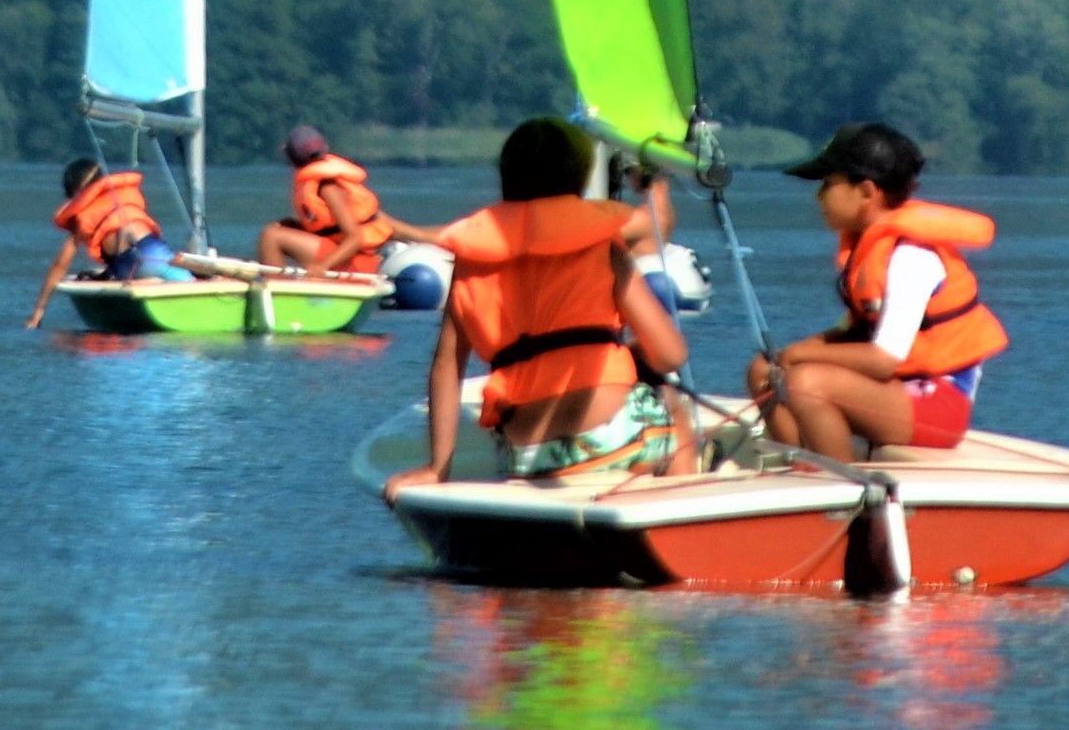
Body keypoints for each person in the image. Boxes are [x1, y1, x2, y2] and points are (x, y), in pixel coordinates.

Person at [391, 115, 690, 491]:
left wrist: (437, 467)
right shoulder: (603, 246)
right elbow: (671, 355)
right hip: (616, 436)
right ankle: (678, 507)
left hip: (529, 454)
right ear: (581, 177)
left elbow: (446, 367)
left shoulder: (472, 260)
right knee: (673, 403)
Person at [744, 121, 1006, 459]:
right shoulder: (871, 251)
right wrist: (788, 355)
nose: (818, 195)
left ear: (867, 192)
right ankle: (797, 466)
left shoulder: (911, 257)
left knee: (804, 382)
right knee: (763, 370)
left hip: (937, 403)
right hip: (893, 390)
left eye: (828, 183)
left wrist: (798, 355)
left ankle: (841, 492)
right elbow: (850, 331)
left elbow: (883, 359)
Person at [26, 155, 179, 325]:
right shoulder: (122, 196)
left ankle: (147, 283)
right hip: (157, 251)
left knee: (135, 271)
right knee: (178, 276)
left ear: (76, 192)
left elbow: (60, 264)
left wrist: (38, 310)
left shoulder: (84, 216)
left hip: (130, 266)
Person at [255, 125, 407, 273]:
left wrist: (323, 267)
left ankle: (275, 290)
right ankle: (275, 284)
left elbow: (354, 239)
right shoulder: (317, 181)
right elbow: (329, 229)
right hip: (350, 254)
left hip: (360, 261)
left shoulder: (327, 187)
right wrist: (296, 225)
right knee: (278, 229)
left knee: (271, 236)